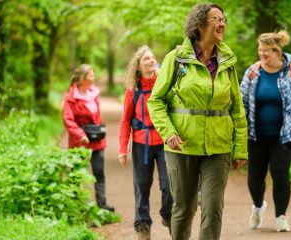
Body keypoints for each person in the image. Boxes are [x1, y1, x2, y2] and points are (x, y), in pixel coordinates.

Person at [146, 3, 248, 239]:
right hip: (182, 145)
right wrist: (168, 132)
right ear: (200, 23)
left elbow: (237, 109)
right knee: (184, 209)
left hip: (219, 146)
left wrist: (240, 148)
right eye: (216, 19)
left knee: (213, 209)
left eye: (224, 20)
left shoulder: (227, 61)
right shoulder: (177, 58)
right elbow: (156, 101)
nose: (222, 23)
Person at [240, 30, 291, 232]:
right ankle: (258, 206)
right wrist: (239, 129)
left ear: (277, 51)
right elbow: (242, 102)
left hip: (283, 136)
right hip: (255, 135)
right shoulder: (252, 72)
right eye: (260, 50)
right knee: (255, 176)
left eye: (266, 51)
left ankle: (281, 216)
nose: (261, 54)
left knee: (280, 174)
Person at [118, 46, 173, 240]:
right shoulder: (134, 89)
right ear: (138, 67)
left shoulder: (165, 83)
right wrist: (123, 148)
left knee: (170, 185)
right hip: (142, 143)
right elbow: (125, 121)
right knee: (141, 185)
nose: (151, 61)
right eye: (146, 59)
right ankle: (142, 225)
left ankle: (169, 215)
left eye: (152, 57)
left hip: (166, 141)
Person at [62, 64, 115, 212]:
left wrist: (101, 129)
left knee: (99, 173)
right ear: (82, 79)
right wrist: (81, 135)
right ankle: (73, 206)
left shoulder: (94, 94)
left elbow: (97, 116)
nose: (94, 78)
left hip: (97, 141)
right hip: (79, 143)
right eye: (91, 75)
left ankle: (102, 205)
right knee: (76, 174)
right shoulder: (71, 98)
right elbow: (68, 120)